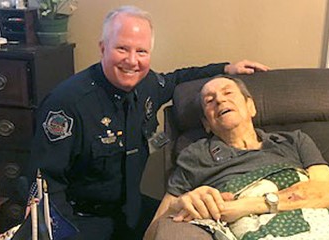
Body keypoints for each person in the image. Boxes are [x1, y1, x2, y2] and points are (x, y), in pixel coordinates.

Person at [29, 5, 270, 240]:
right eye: (122, 49)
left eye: (141, 52)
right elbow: (45, 181)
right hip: (82, 218)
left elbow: (178, 78)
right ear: (103, 48)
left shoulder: (148, 85)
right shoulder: (67, 103)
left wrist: (226, 68)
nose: (132, 61)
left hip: (130, 211)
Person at [146, 76, 329, 240]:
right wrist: (181, 205)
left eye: (228, 93)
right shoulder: (195, 156)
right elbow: (153, 232)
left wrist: (242, 206)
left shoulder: (294, 141)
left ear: (251, 107)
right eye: (209, 101)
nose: (219, 100)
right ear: (206, 124)